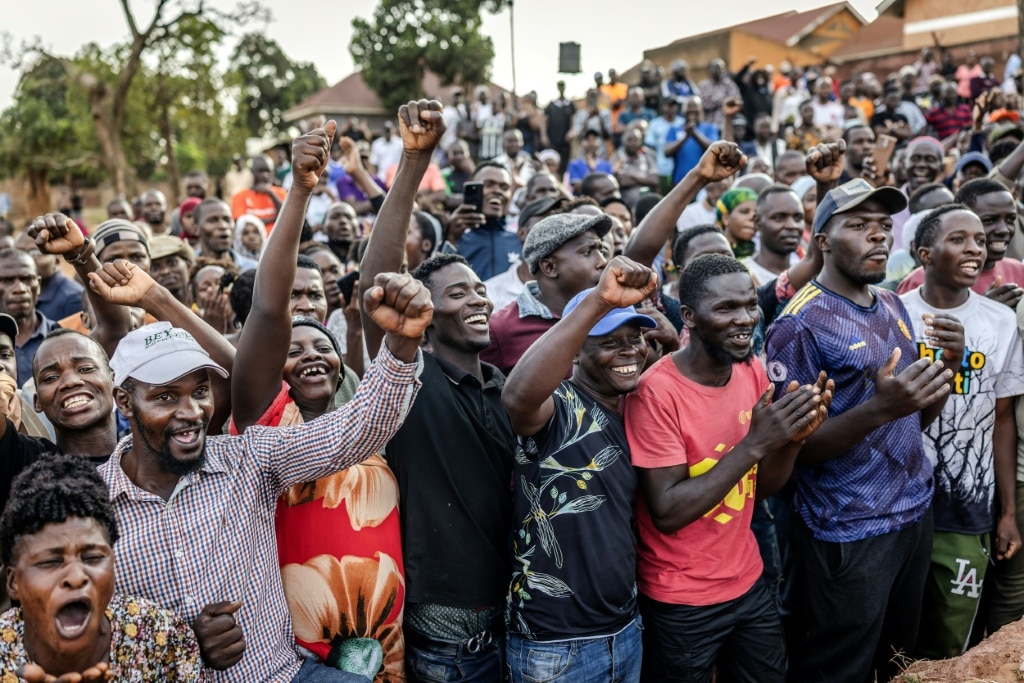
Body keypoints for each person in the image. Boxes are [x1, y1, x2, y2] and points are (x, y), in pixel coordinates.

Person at [87, 225, 430, 683]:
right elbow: (83, 633)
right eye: (166, 397)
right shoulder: (91, 505)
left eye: (200, 391)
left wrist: (401, 346)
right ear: (124, 402)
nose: (191, 412)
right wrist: (181, 644)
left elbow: (356, 429)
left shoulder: (247, 459)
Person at [766, 178, 963, 683]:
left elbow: (912, 418)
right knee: (838, 667)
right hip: (848, 528)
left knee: (898, 659)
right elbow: (792, 450)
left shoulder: (892, 303)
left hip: (913, 513)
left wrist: (948, 369)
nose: (878, 235)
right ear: (823, 241)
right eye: (858, 225)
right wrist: (879, 408)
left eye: (882, 225)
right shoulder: (798, 324)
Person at [230, 121, 400, 681]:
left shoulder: (367, 415)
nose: (310, 356)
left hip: (387, 643)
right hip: (297, 647)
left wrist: (411, 161)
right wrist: (300, 191)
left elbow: (379, 283)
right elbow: (269, 310)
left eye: (322, 346)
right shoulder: (267, 425)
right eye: (293, 349)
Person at [358, 99, 516, 681]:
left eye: (479, 290)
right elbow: (377, 283)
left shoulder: (505, 388)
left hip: (519, 623)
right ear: (423, 315)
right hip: (450, 644)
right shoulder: (413, 383)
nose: (477, 299)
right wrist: (414, 161)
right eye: (456, 294)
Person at [625, 254, 830, 682]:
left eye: (750, 305)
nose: (745, 319)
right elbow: (667, 512)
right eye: (726, 308)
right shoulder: (655, 394)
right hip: (681, 600)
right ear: (689, 317)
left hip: (748, 581)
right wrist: (755, 443)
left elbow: (761, 487)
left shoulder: (751, 370)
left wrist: (793, 439)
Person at [502, 258, 658, 683]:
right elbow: (516, 399)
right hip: (555, 646)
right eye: (609, 341)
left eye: (635, 338)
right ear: (576, 350)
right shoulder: (558, 407)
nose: (629, 351)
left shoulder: (637, 409)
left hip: (625, 630)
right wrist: (598, 302)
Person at [900, 204, 1024, 659]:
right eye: (958, 239)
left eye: (979, 240)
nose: (975, 248)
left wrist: (1007, 512)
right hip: (899, 504)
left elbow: (1002, 419)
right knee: (897, 635)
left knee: (951, 642)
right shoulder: (894, 314)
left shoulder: (1000, 320)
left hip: (969, 508)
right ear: (925, 254)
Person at [0, 455, 204, 681]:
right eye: (50, 561)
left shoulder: (162, 638)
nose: (76, 577)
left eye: (93, 557)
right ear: (14, 582)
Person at [482, 213, 610, 377]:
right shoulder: (500, 330)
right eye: (587, 252)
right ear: (550, 267)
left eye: (601, 250)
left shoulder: (610, 313)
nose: (603, 261)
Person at [898, 179, 1024, 305]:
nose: (1003, 230)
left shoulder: (1018, 270)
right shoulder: (921, 280)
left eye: (1010, 219)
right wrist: (983, 308)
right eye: (989, 220)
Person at [483, 196, 566, 311]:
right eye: (544, 226)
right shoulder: (490, 293)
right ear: (521, 233)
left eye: (560, 228)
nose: (554, 234)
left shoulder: (574, 292)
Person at [447, 162, 520, 281]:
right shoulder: (455, 237)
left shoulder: (521, 239)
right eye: (489, 184)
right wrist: (451, 240)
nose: (498, 191)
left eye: (504, 187)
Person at [0, 249, 61, 387]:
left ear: (38, 285)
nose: (20, 288)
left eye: (27, 279)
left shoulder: (61, 335)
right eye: (7, 280)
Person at [14, 229, 83, 321]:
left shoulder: (73, 299)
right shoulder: (12, 295)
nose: (26, 259)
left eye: (36, 252)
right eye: (20, 253)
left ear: (56, 260)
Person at [743, 185, 803, 285]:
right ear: (757, 222)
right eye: (779, 218)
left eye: (798, 218)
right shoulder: (741, 275)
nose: (792, 225)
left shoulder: (808, 274)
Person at [665, 97, 722, 187]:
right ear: (683, 110)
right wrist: (685, 137)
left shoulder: (710, 128)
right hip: (680, 181)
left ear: (701, 110)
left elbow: (715, 149)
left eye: (695, 107)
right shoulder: (674, 129)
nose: (692, 110)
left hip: (704, 182)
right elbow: (666, 152)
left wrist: (694, 133)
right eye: (689, 107)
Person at [194, 199, 259, 271]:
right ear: (196, 229)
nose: (223, 226)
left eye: (227, 220)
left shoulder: (253, 269)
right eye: (212, 220)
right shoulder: (188, 269)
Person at [230, 156, 287, 233]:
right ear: (252, 171)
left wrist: (271, 193)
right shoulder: (239, 196)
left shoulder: (281, 193)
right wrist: (275, 218)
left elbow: (288, 217)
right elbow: (242, 224)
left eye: (268, 171)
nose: (265, 175)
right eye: (260, 171)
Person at [646, 98, 684, 194]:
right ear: (662, 107)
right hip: (661, 168)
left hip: (679, 168)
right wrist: (653, 167)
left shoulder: (682, 123)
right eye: (668, 105)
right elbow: (650, 147)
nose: (671, 108)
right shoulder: (655, 124)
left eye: (673, 105)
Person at [544, 82, 576, 178]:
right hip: (553, 139)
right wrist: (544, 135)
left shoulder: (570, 105)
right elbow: (545, 120)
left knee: (564, 163)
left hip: (565, 141)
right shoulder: (551, 105)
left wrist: (570, 132)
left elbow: (572, 120)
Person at [716, 188, 758, 259]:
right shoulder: (712, 252)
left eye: (756, 214)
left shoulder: (761, 258)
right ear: (726, 218)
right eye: (744, 211)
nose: (752, 217)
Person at [698, 59, 741, 129]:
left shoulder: (729, 84)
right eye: (715, 68)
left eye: (720, 69)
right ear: (710, 70)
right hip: (709, 124)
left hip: (727, 124)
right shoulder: (704, 85)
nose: (718, 71)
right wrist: (725, 101)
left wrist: (714, 100)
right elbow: (705, 103)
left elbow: (737, 100)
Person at [170, 171, 210, 237]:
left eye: (197, 187)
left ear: (207, 185)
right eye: (189, 188)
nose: (193, 191)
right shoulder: (176, 215)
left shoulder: (217, 211)